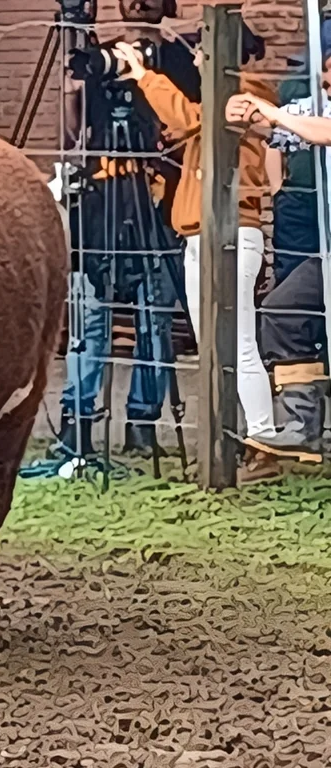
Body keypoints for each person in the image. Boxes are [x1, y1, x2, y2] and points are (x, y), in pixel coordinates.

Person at [115, 32, 319, 483]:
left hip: (229, 231)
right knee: (214, 342)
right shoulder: (221, 101)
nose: (197, 61)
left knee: (237, 341)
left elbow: (188, 116)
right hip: (203, 233)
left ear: (225, 54)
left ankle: (261, 441)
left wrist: (145, 76)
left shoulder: (242, 95)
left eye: (203, 52)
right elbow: (188, 124)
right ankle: (230, 440)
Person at [50, 0, 200, 463]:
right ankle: (77, 424)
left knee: (154, 317)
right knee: (91, 316)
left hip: (153, 198)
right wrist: (73, 87)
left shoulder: (179, 59)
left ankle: (142, 423)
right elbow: (74, 133)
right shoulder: (100, 54)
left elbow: (188, 126)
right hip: (101, 198)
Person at [226, 38, 331, 474]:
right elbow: (284, 132)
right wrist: (248, 117)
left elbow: (322, 131)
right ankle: (303, 425)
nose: (325, 81)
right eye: (324, 73)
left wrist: (270, 111)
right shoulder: (316, 105)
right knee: (284, 309)